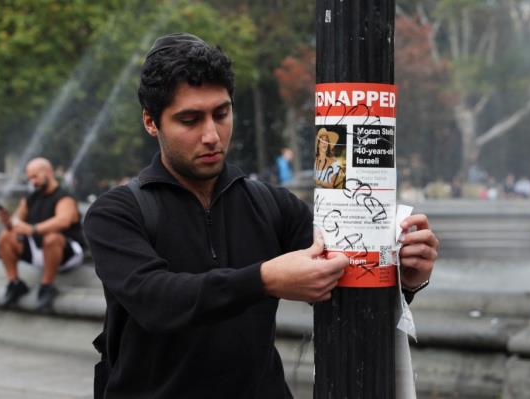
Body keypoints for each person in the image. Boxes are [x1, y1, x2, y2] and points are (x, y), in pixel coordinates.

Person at [83, 33, 438, 398]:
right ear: (151, 122)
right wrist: (264, 280)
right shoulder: (115, 213)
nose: (211, 136)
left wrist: (404, 277)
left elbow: (343, 277)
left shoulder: (272, 204)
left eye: (221, 113)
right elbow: (156, 300)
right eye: (189, 120)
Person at [0, 157, 86, 311]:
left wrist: (32, 229)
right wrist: (7, 221)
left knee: (52, 237)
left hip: (68, 253)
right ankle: (15, 283)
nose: (32, 181)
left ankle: (47, 286)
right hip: (40, 250)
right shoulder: (31, 198)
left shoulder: (64, 197)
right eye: (30, 178)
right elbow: (16, 224)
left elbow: (63, 221)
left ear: (48, 173)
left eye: (35, 176)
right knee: (5, 236)